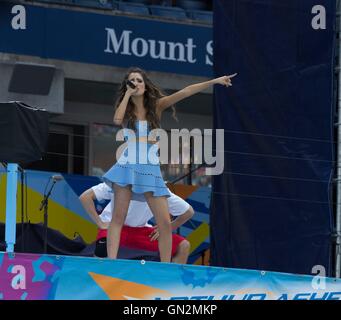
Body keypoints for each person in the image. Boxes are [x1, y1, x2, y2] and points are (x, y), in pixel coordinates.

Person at [103, 67, 236, 261]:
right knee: (118, 218)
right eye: (131, 81)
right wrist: (127, 95)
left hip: (149, 168)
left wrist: (214, 82)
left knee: (164, 222)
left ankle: (165, 267)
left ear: (146, 85)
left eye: (139, 80)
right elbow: (116, 120)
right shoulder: (127, 110)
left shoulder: (156, 106)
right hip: (127, 166)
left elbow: (185, 91)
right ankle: (111, 262)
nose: (136, 84)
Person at [79, 182, 194, 264]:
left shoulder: (160, 188)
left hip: (140, 230)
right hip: (113, 227)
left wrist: (168, 227)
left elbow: (188, 212)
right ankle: (97, 286)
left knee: (183, 246)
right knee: (102, 249)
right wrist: (100, 223)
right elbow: (85, 197)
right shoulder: (118, 180)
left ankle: (170, 286)